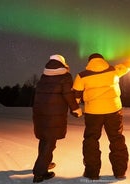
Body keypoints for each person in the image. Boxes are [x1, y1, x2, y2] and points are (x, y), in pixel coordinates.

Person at [72, 53, 130, 180]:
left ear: (89, 62)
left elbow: (76, 94)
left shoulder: (82, 76)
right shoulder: (113, 70)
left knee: (91, 140)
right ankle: (120, 171)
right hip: (113, 110)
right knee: (117, 139)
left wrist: (75, 109)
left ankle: (92, 173)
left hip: (93, 112)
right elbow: (127, 65)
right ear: (102, 60)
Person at [32, 54, 82, 183]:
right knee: (50, 142)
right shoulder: (64, 77)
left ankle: (45, 163)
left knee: (44, 140)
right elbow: (68, 95)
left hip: (40, 113)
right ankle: (39, 173)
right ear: (63, 63)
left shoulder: (44, 77)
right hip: (54, 115)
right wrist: (75, 109)